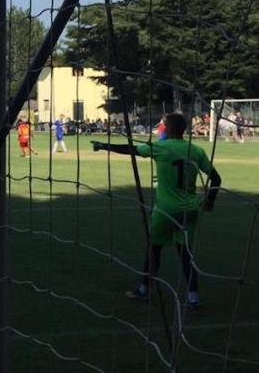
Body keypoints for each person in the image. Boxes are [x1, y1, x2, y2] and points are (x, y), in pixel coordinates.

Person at [92, 113, 221, 309]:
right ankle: (193, 297)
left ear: (169, 129)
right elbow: (216, 178)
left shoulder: (161, 148)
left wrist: (103, 146)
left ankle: (144, 289)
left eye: (164, 125)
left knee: (154, 249)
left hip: (166, 210)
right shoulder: (196, 150)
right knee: (186, 254)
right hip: (190, 210)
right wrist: (210, 201)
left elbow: (131, 149)